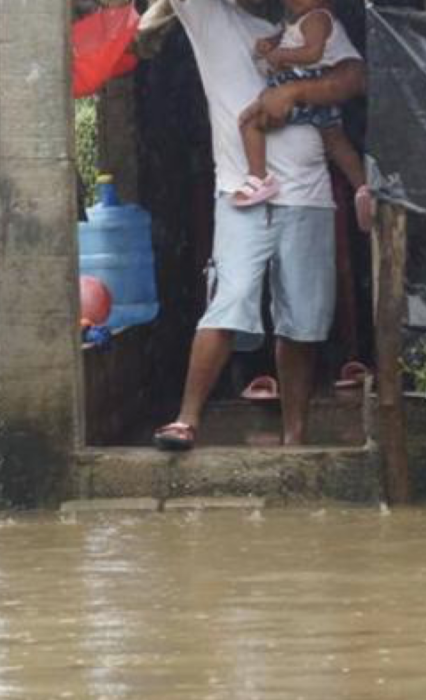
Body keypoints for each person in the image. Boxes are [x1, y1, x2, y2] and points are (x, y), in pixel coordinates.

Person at [145, 0, 367, 451]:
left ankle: (295, 437)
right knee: (229, 302)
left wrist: (295, 92)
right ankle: (186, 420)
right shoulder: (213, 18)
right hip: (241, 198)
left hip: (309, 199)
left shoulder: (313, 26)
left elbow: (355, 78)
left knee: (301, 326)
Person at [230, 0, 368, 221]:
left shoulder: (317, 18)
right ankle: (362, 186)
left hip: (309, 81)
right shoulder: (298, 21)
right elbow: (286, 36)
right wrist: (270, 43)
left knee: (251, 122)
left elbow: (313, 53)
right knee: (335, 140)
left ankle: (258, 178)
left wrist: (281, 55)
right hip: (320, 93)